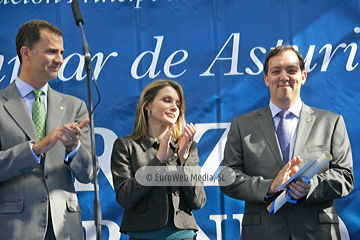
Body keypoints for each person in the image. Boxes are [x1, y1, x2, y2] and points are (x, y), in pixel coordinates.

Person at [220, 45, 354, 240]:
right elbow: (227, 177)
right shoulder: (242, 125)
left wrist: (311, 186)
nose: (284, 77)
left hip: (316, 233)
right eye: (276, 71)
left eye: (292, 70)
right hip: (263, 233)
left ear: (303, 76)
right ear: (266, 79)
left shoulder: (331, 123)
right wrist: (269, 187)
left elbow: (345, 176)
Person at [0, 20, 96, 240]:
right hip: (14, 229)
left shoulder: (75, 106)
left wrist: (73, 148)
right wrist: (35, 148)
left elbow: (89, 174)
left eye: (61, 52)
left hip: (65, 228)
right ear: (26, 53)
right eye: (52, 51)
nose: (60, 59)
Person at [111, 79, 206, 240]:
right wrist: (158, 161)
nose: (174, 107)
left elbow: (198, 201)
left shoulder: (187, 146)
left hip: (184, 236)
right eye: (167, 100)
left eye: (178, 103)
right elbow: (125, 198)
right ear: (147, 105)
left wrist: (184, 161)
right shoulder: (125, 146)